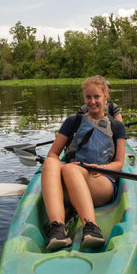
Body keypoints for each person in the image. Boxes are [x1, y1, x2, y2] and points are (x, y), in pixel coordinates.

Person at [41, 75, 127, 251]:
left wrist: (102, 168)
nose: (92, 101)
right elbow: (54, 154)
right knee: (50, 162)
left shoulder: (117, 127)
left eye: (97, 97)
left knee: (71, 170)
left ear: (105, 97)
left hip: (100, 182)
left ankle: (91, 228)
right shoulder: (73, 121)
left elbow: (119, 163)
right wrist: (61, 168)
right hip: (73, 178)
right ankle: (58, 228)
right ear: (84, 98)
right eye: (88, 97)